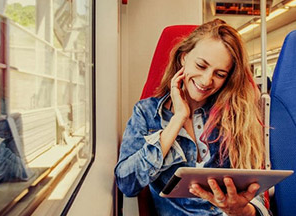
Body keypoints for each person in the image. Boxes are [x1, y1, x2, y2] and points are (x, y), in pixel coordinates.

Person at [115, 19, 270, 216]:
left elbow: (256, 194)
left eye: (220, 74)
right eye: (201, 65)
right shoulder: (146, 113)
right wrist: (178, 118)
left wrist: (244, 210)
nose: (206, 81)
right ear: (183, 58)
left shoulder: (236, 116)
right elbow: (127, 183)